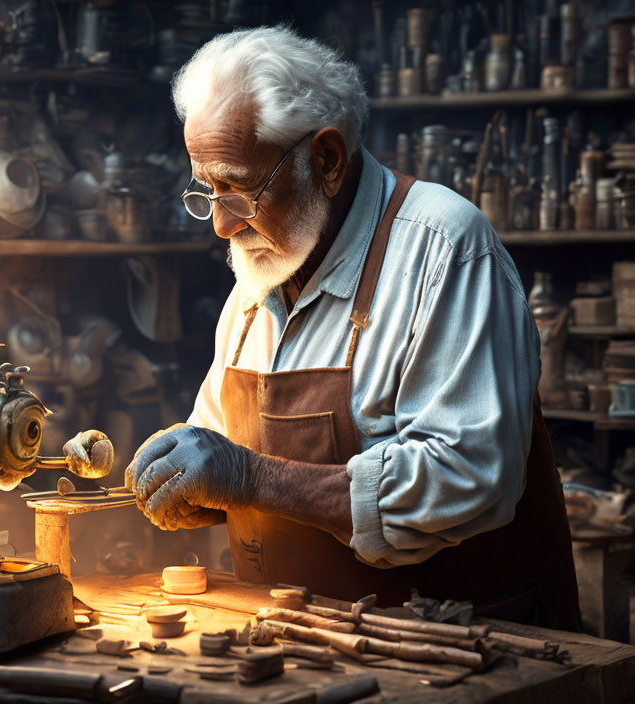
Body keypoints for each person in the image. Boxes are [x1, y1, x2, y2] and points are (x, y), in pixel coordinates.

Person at [122, 26, 579, 630]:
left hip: (457, 648)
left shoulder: (443, 248)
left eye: (237, 189)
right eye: (206, 192)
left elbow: (467, 480)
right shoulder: (258, 281)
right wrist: (191, 490)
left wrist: (247, 478)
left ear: (327, 160)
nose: (221, 227)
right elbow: (218, 449)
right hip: (301, 644)